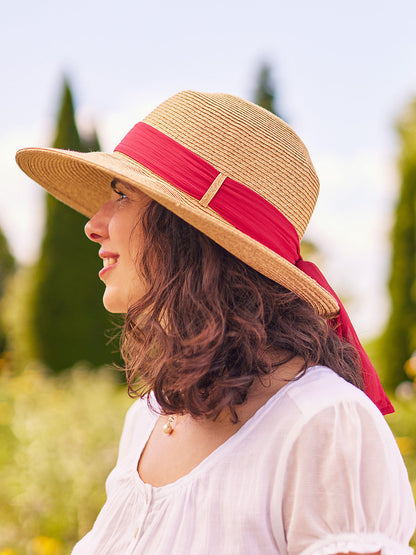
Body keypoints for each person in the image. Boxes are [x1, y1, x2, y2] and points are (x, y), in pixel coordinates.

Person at [16, 90, 416, 554]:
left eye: (123, 195)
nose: (93, 224)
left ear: (189, 231)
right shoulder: (147, 419)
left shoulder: (323, 423)